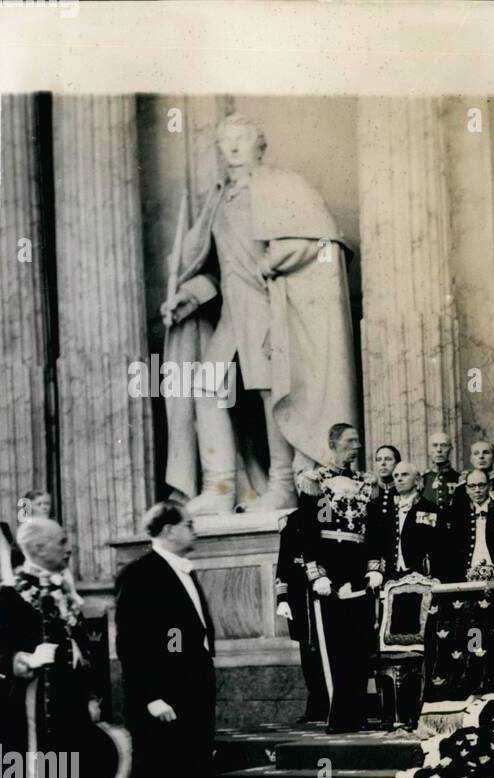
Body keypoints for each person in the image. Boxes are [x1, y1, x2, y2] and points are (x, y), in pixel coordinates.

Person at [159, 113, 359, 514]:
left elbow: (318, 241)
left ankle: (282, 482)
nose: (232, 147)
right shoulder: (218, 199)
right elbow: (215, 268)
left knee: (273, 392)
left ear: (259, 143)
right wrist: (189, 296)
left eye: (241, 138)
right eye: (224, 140)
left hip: (273, 308)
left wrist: (275, 261)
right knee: (206, 386)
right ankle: (220, 486)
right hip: (235, 312)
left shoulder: (283, 186)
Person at [0, 519, 108, 778]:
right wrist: (25, 659)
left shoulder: (64, 590)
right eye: (61, 542)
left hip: (68, 708)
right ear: (39, 549)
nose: (68, 548)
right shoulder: (9, 596)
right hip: (30, 713)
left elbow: (83, 647)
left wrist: (91, 696)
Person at [114, 502, 217, 778]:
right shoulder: (140, 574)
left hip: (192, 700)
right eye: (189, 525)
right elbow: (131, 643)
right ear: (168, 529)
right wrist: (150, 697)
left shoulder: (185, 572)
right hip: (161, 705)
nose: (196, 531)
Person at [296, 423, 389, 733]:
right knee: (334, 646)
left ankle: (358, 713)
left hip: (359, 570)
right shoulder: (315, 482)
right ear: (333, 444)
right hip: (330, 572)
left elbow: (376, 531)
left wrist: (376, 567)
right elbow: (307, 533)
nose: (357, 446)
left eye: (358, 441)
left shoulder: (367, 483)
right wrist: (316, 573)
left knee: (360, 645)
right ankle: (339, 716)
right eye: (350, 441)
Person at [275, 509, 328, 723]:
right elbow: (284, 561)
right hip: (300, 593)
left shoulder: (330, 512)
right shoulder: (293, 520)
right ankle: (317, 704)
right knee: (308, 650)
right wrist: (283, 598)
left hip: (327, 589)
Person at [439, 470, 494, 582]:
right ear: (466, 489)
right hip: (466, 577)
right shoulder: (457, 515)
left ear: (490, 486)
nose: (477, 490)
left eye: (481, 485)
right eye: (472, 486)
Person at [389, 461, 442, 578]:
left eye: (404, 475)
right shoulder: (388, 511)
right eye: (396, 476)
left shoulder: (430, 509)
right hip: (391, 576)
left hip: (421, 575)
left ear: (417, 480)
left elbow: (437, 546)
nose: (399, 479)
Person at [423, 430, 460, 509]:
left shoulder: (460, 479)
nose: (439, 450)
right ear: (429, 450)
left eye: (444, 445)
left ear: (451, 449)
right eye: (435, 445)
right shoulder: (422, 480)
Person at [370, 444, 402, 526]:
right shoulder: (368, 493)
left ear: (397, 463)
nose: (383, 463)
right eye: (379, 459)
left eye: (388, 459)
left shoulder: (404, 493)